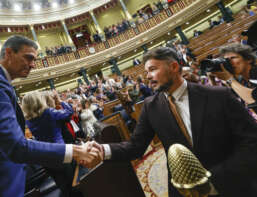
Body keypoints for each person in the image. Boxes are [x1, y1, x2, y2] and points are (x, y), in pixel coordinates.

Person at [86, 47, 257, 197]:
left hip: (230, 185)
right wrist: (103, 150)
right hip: (183, 189)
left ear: (174, 67)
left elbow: (251, 141)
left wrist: (215, 179)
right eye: (146, 72)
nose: (148, 77)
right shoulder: (150, 106)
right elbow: (135, 147)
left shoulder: (218, 95)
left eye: (152, 69)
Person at [0, 35, 101, 197]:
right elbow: (15, 146)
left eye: (34, 60)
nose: (33, 65)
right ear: (9, 53)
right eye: (28, 58)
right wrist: (75, 151)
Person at [22, 90, 76, 197]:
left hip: (45, 157)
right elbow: (70, 112)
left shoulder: (29, 121)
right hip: (61, 153)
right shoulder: (49, 112)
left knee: (63, 187)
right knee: (74, 183)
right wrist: (59, 100)